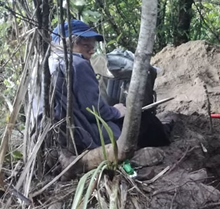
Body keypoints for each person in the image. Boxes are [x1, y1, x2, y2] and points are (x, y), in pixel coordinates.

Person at [50, 19, 170, 153]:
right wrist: (117, 111)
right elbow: (93, 111)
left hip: (58, 137)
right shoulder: (77, 64)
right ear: (69, 43)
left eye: (92, 46)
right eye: (86, 46)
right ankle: (162, 140)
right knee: (145, 119)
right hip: (83, 136)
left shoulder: (49, 63)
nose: (91, 51)